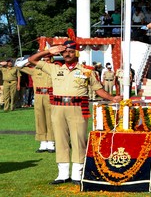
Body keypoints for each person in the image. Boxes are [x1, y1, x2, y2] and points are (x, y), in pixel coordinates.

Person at [28, 40, 121, 185]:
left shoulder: (86, 71)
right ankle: (62, 174)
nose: (67, 54)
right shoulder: (54, 68)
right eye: (64, 52)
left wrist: (112, 98)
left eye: (71, 51)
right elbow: (31, 60)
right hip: (58, 107)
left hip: (77, 108)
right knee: (60, 139)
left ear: (76, 53)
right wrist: (49, 51)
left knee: (78, 140)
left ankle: (77, 174)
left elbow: (98, 89)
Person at [19, 60, 55, 153]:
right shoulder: (34, 70)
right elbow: (18, 66)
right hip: (38, 96)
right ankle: (43, 142)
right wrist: (27, 62)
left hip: (50, 95)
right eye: (43, 59)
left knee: (50, 119)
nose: (46, 61)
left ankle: (51, 142)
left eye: (48, 59)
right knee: (40, 118)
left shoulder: (53, 69)